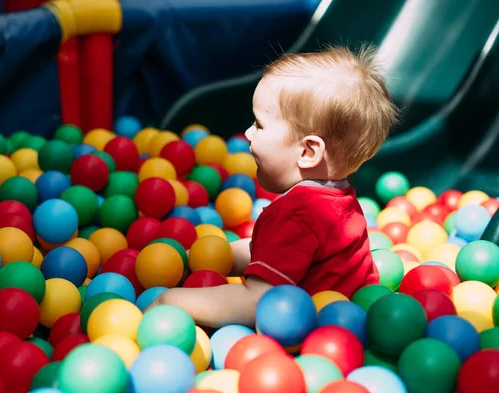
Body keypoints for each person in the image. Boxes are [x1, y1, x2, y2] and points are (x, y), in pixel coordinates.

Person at [147, 45, 399, 328]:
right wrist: (212, 258)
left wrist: (172, 301)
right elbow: (278, 253)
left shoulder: (295, 215)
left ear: (307, 152)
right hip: (354, 321)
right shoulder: (339, 199)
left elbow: (259, 302)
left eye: (259, 125)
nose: (247, 133)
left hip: (312, 332)